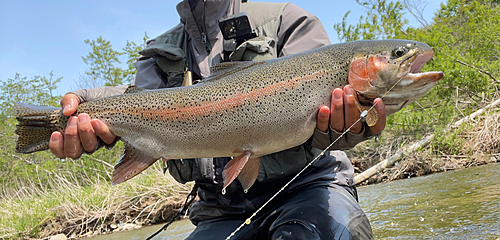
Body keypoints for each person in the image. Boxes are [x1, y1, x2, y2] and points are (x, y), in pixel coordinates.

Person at [49, 0, 386, 239]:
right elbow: (146, 102)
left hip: (307, 189)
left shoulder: (286, 20)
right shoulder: (156, 54)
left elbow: (333, 113)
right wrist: (89, 104)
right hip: (219, 210)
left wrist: (353, 127)